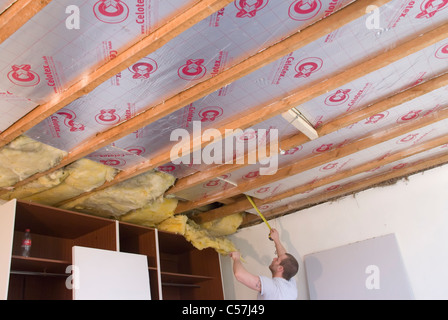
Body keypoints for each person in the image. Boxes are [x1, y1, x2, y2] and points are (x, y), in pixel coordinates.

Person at [230, 228, 299, 300]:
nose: (274, 258)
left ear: (280, 268)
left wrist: (236, 258)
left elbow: (239, 275)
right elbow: (284, 257)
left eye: (277, 260)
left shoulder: (273, 287)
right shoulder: (290, 284)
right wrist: (276, 240)